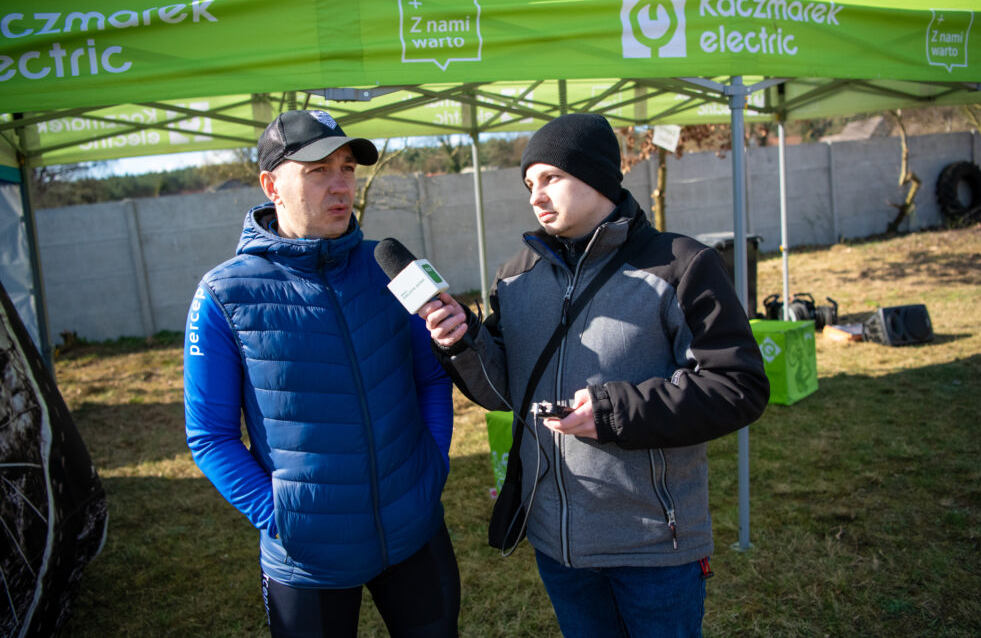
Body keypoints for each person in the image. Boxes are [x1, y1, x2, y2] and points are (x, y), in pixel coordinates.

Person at [419, 113, 769, 637]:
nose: (536, 196)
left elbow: (737, 386)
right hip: (557, 544)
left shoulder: (680, 265)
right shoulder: (515, 277)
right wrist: (462, 341)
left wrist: (613, 413)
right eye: (529, 184)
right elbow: (502, 390)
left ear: (598, 176)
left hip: (653, 545)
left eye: (551, 177)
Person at [183, 109, 460, 637]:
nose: (340, 186)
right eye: (317, 171)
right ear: (271, 186)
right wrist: (282, 519)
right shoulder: (223, 294)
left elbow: (430, 377)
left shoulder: (389, 268)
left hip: (414, 529)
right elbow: (210, 437)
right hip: (307, 560)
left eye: (347, 168)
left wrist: (432, 465)